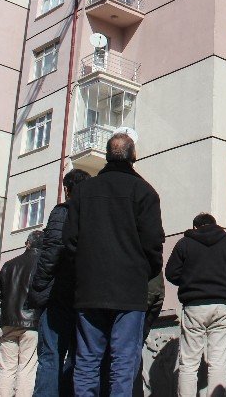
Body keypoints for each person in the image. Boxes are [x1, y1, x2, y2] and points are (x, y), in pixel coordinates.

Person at [64, 133, 164, 397]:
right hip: (129, 290)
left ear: (107, 156)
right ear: (134, 156)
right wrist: (145, 270)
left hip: (89, 289)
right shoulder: (144, 192)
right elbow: (153, 242)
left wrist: (84, 268)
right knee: (123, 361)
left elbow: (70, 240)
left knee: (86, 360)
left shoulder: (83, 192)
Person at [165, 213, 226, 397]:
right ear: (215, 225)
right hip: (223, 306)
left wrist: (189, 282)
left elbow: (171, 273)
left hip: (194, 306)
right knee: (218, 361)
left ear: (195, 227)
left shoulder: (185, 243)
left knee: (189, 363)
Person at [29, 169, 91, 397]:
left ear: (67, 189)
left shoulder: (62, 212)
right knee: (80, 357)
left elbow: (51, 252)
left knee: (51, 355)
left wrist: (38, 286)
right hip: (85, 295)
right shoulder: (94, 216)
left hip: (58, 294)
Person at [0, 231, 42, 397]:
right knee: (27, 368)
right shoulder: (42, 265)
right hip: (31, 322)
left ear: (27, 243)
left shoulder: (9, 265)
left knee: (6, 368)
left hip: (8, 322)